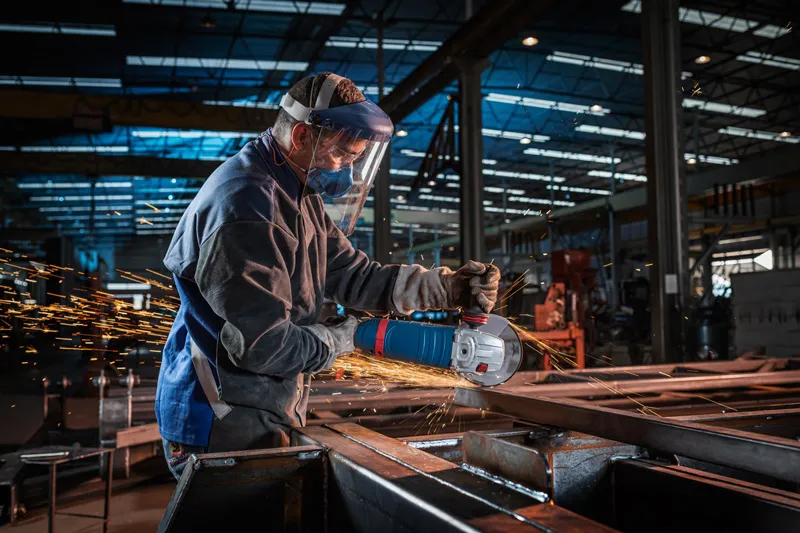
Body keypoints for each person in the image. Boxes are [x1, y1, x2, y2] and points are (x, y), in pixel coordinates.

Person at [156, 72, 500, 480]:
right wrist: (342, 340)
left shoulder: (295, 192)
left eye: (356, 160)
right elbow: (263, 345)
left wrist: (445, 288)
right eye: (342, 156)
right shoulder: (248, 207)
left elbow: (352, 273)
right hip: (221, 415)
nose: (348, 174)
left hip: (256, 402)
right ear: (302, 136)